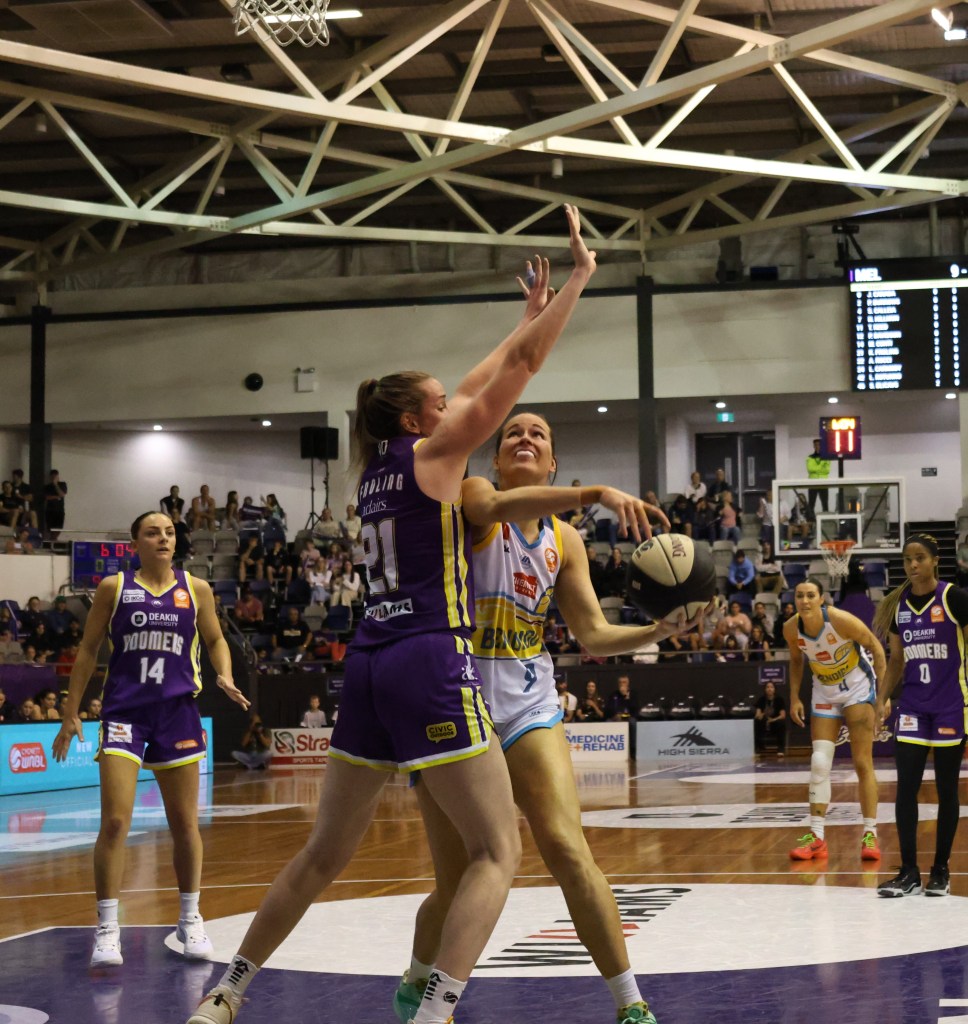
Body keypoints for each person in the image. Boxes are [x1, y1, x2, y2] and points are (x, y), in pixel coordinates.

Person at [187, 205, 597, 1024]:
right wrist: (578, 280)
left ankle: (226, 991)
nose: (456, 406)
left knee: (322, 854)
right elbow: (519, 367)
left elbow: (484, 377)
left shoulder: (374, 469)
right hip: (429, 657)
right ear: (416, 421)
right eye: (441, 404)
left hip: (368, 663)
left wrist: (525, 316)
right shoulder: (436, 457)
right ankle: (435, 1010)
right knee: (496, 852)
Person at [391, 409, 699, 1024]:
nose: (525, 437)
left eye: (538, 435)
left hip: (529, 698)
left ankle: (631, 1003)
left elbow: (592, 633)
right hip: (456, 700)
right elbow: (489, 509)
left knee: (566, 846)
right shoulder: (474, 495)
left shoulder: (566, 540)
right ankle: (419, 976)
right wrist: (596, 493)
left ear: (552, 462)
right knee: (456, 877)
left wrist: (656, 632)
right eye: (513, 432)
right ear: (497, 458)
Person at [52, 510, 249, 968]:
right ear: (135, 543)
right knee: (115, 822)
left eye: (169, 532)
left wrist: (224, 673)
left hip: (177, 713)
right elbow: (88, 650)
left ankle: (189, 918)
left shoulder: (196, 589)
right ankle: (107, 928)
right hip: (125, 714)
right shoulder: (114, 588)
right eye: (153, 532)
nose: (164, 538)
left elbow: (216, 639)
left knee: (184, 824)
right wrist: (71, 711)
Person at [873, 534, 968, 897]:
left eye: (919, 558)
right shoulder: (898, 606)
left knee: (947, 790)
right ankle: (909, 872)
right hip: (912, 706)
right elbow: (896, 660)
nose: (912, 565)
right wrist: (881, 699)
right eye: (907, 559)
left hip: (950, 705)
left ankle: (941, 869)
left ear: (935, 560)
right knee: (906, 789)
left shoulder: (954, 598)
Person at [786, 577, 885, 862]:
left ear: (821, 599)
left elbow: (876, 647)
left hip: (857, 687)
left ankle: (870, 833)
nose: (804, 601)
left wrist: (883, 695)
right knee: (819, 762)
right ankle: (816, 838)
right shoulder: (791, 628)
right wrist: (794, 697)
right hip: (824, 690)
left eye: (810, 595)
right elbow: (796, 660)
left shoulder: (840, 620)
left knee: (862, 763)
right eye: (799, 595)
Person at [754, 681, 787, 755]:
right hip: (764, 722)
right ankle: (759, 747)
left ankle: (780, 749)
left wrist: (773, 720)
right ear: (765, 689)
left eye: (771, 687)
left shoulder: (779, 699)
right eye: (767, 687)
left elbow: (783, 715)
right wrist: (762, 714)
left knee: (781, 722)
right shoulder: (761, 700)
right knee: (757, 721)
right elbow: (757, 714)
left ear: (774, 689)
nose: (769, 689)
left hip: (775, 722)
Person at [806, 438, 831, 514]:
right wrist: (822, 464)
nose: (817, 446)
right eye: (816, 445)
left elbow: (827, 470)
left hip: (823, 483)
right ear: (813, 446)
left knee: (825, 503)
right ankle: (811, 519)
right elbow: (810, 469)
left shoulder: (826, 457)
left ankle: (826, 519)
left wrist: (816, 469)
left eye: (819, 445)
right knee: (811, 504)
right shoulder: (810, 457)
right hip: (812, 483)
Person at [43, 469, 67, 536]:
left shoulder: (62, 484)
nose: (53, 478)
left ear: (58, 476)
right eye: (52, 477)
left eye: (55, 476)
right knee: (50, 529)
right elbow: (47, 497)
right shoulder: (47, 487)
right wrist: (57, 497)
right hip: (50, 510)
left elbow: (62, 494)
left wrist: (56, 485)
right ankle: (51, 539)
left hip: (59, 510)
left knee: (58, 529)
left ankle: (54, 538)